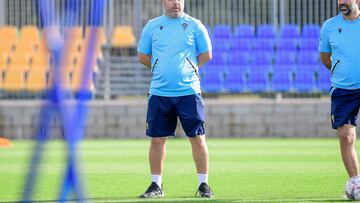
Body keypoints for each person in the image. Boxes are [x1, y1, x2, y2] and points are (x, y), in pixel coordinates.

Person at [137, 0, 214, 199]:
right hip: (159, 92)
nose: (176, 3)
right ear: (163, 1)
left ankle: (204, 184)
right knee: (157, 140)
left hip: (188, 91)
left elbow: (206, 54)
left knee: (197, 138)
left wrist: (190, 69)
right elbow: (142, 55)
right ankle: (156, 185)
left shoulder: (195, 25)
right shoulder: (152, 26)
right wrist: (158, 69)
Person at [319, 0, 360, 188]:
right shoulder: (329, 26)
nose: (342, 2)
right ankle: (356, 184)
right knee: (346, 136)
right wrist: (341, 72)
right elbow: (325, 58)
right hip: (343, 89)